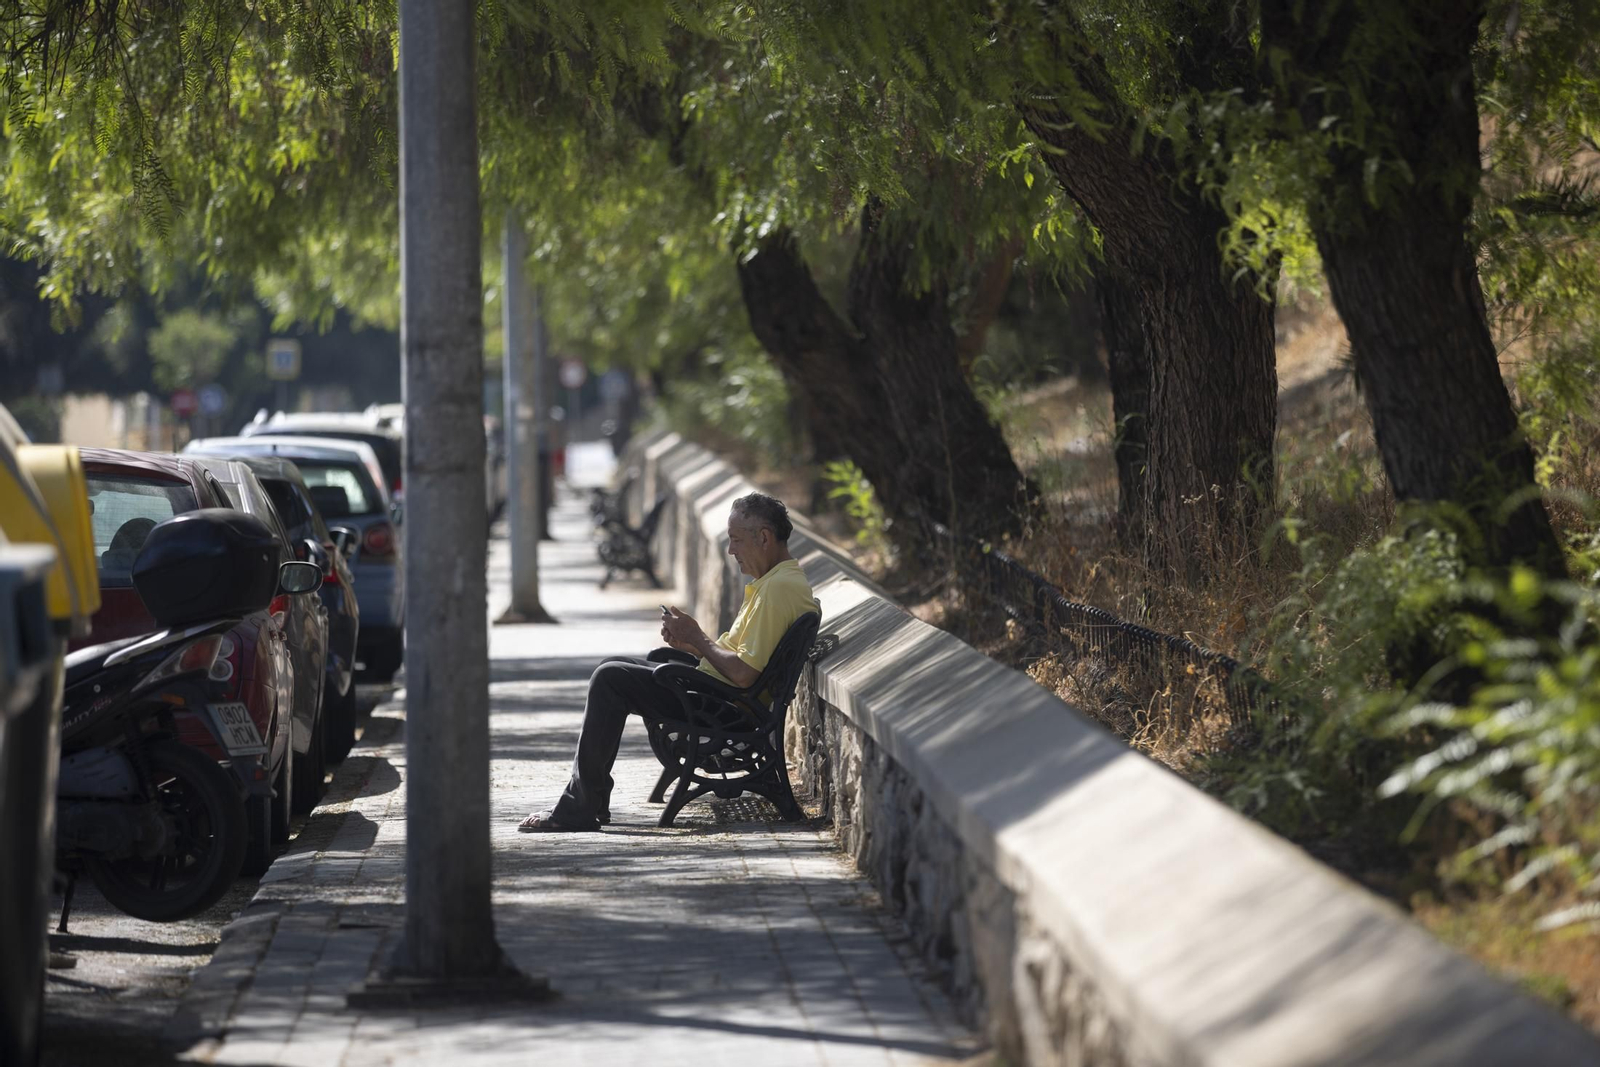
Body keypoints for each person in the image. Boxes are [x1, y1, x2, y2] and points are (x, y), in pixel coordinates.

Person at [519, 491, 820, 832]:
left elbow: (745, 675)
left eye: (736, 540)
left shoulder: (778, 589)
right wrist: (691, 647)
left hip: (726, 710)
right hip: (718, 697)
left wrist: (697, 637)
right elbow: (743, 662)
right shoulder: (774, 583)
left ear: (764, 537)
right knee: (616, 665)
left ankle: (581, 807)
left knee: (609, 678)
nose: (731, 551)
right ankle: (592, 800)